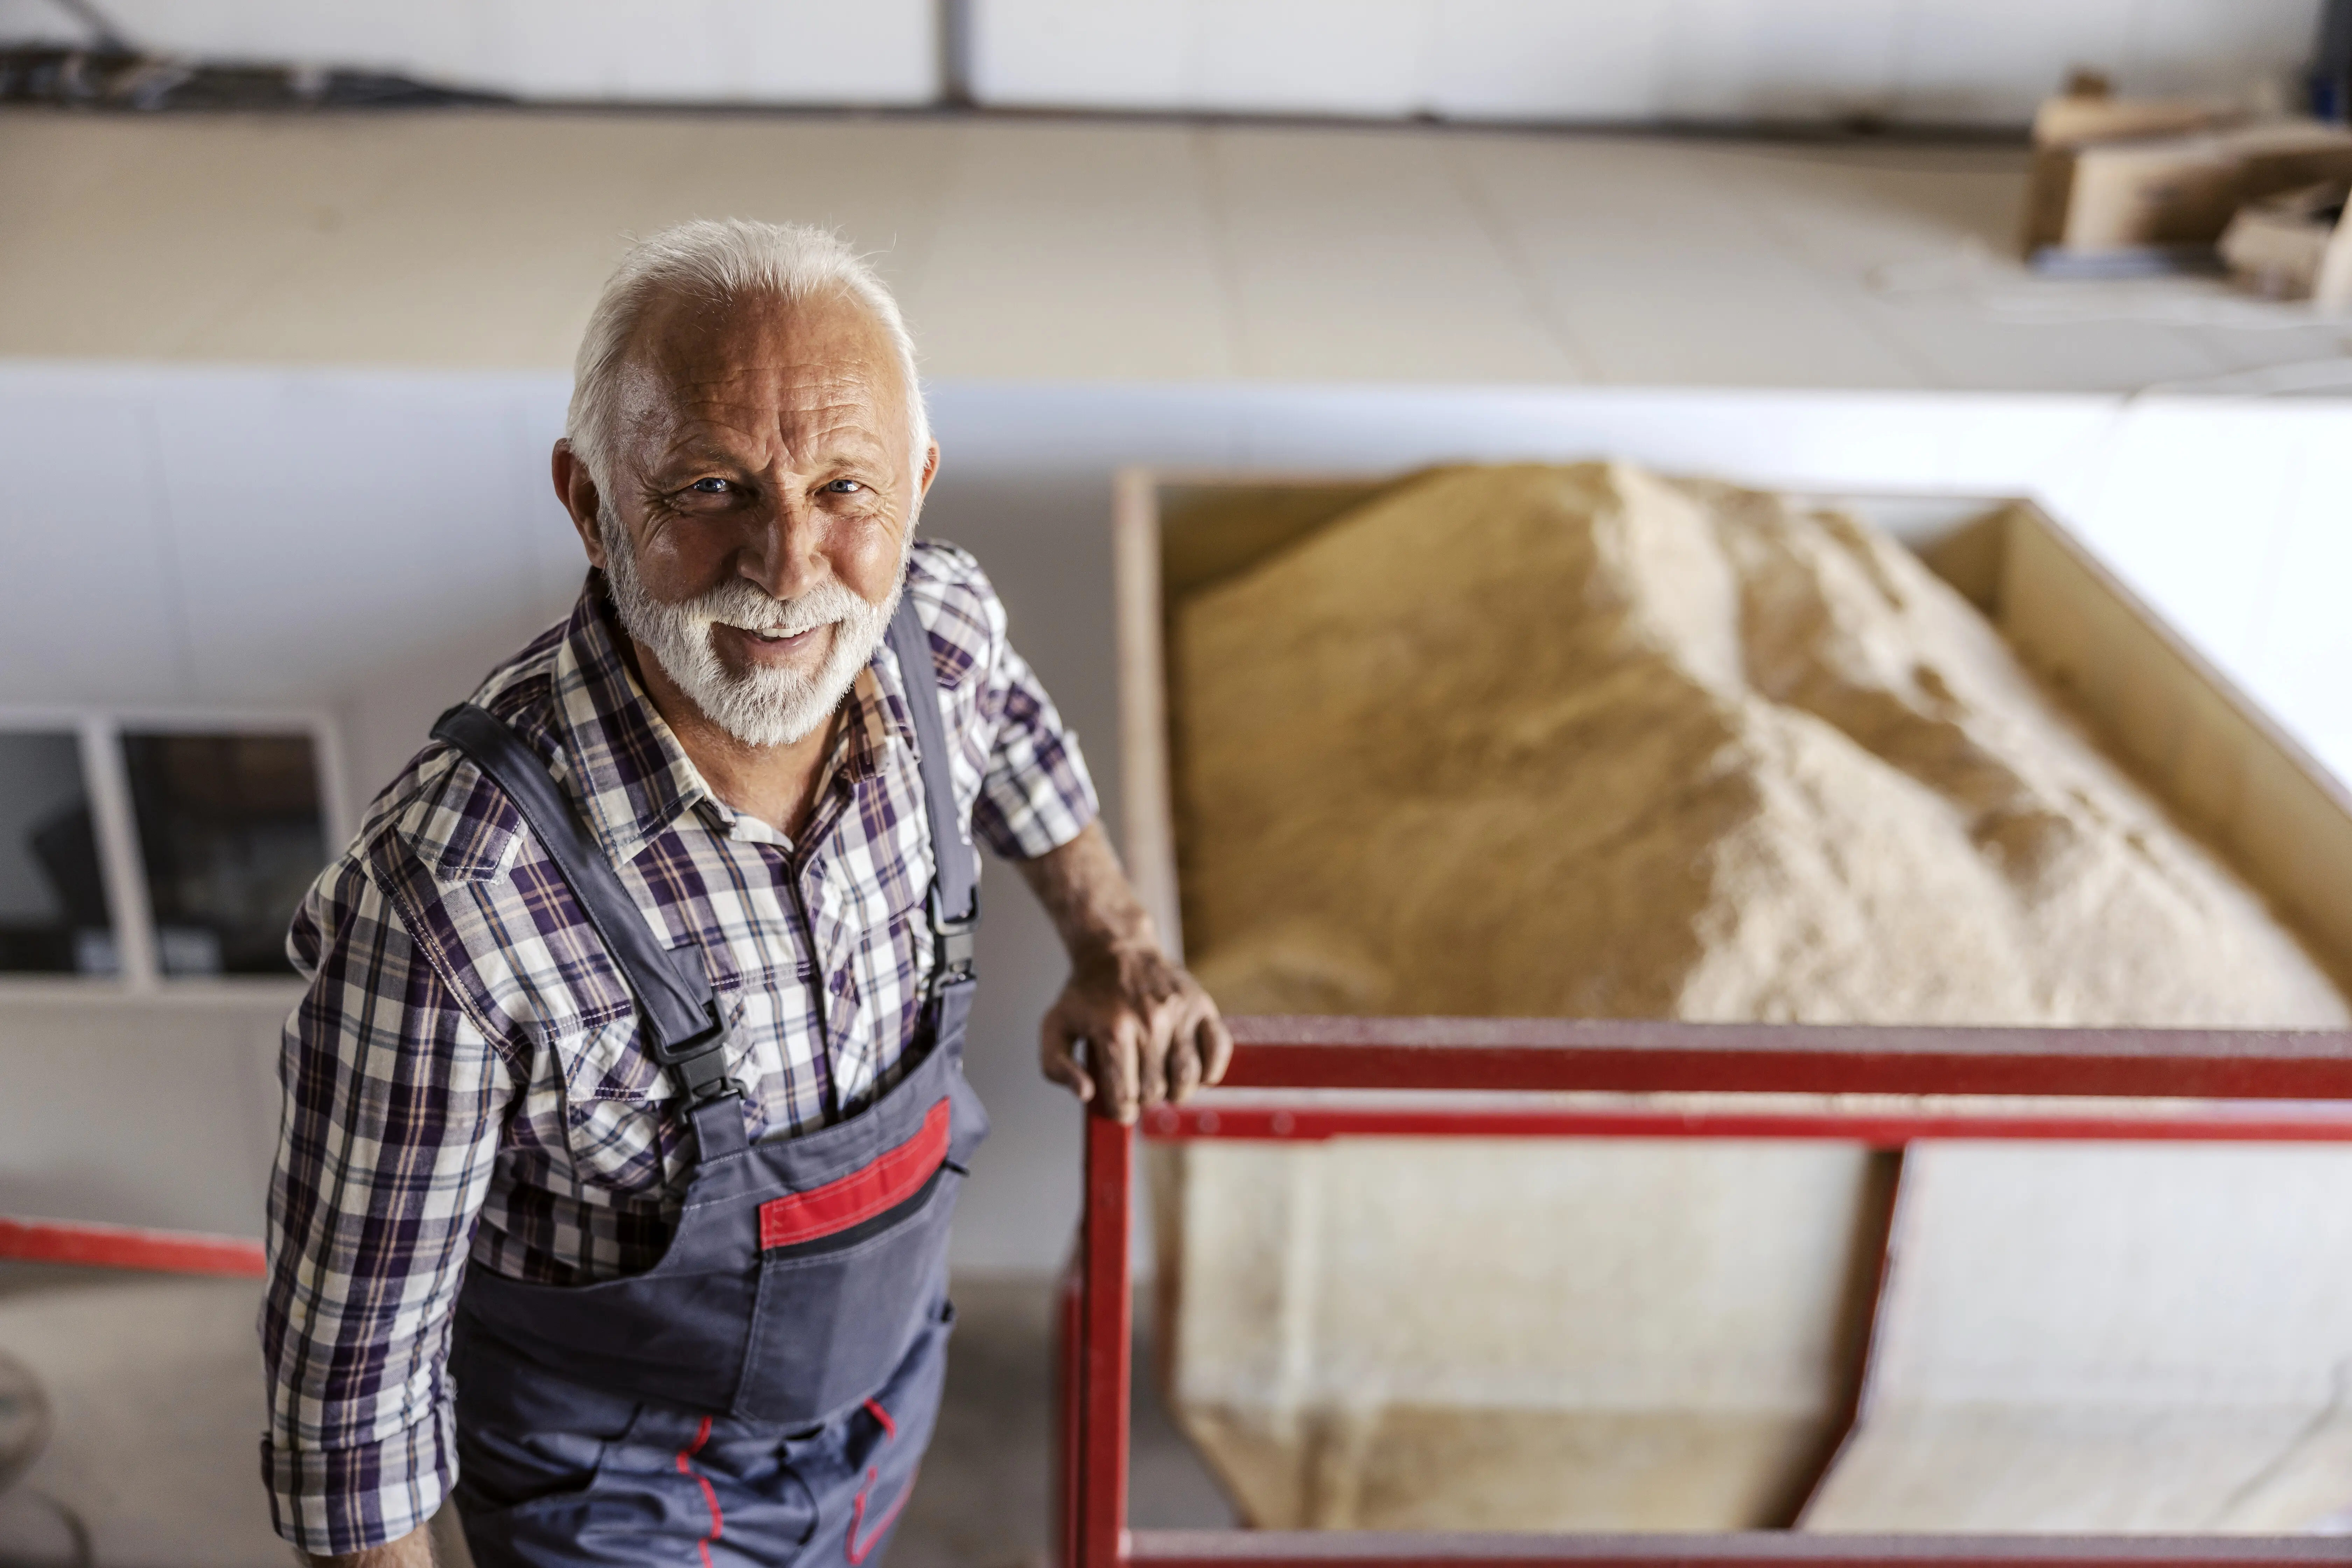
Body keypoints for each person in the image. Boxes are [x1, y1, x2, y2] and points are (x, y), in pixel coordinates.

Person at [259, 219, 1229, 1567]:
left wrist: (1113, 940)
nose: (788, 567)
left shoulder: (938, 639)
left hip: (884, 1405)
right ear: (592, 503)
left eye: (847, 490)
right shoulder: (450, 903)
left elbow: (1017, 742)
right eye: (711, 489)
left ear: (920, 489)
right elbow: (353, 1410)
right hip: (611, 1489)